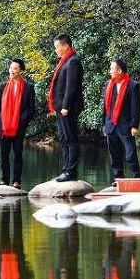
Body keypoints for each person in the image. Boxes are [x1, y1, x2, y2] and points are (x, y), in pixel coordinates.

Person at [0, 59, 36, 189]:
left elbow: (31, 109)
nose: (11, 70)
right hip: (4, 126)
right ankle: (4, 180)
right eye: (11, 68)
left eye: (15, 68)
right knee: (3, 155)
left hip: (19, 126)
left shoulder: (28, 87)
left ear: (21, 71)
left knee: (18, 154)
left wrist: (22, 121)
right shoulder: (3, 86)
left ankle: (17, 181)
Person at [48, 34, 84, 182]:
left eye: (57, 46)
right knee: (63, 139)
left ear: (66, 46)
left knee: (70, 139)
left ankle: (71, 171)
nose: (56, 50)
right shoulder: (65, 61)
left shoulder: (73, 61)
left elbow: (71, 86)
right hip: (61, 108)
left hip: (67, 108)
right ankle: (66, 169)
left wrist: (66, 106)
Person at [101, 58, 140, 185]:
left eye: (112, 69)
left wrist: (134, 125)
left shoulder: (132, 85)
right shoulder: (108, 84)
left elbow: (136, 107)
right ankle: (119, 178)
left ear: (119, 71)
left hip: (126, 125)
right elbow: (104, 107)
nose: (110, 71)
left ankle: (136, 177)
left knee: (130, 153)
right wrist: (104, 124)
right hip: (110, 124)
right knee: (114, 154)